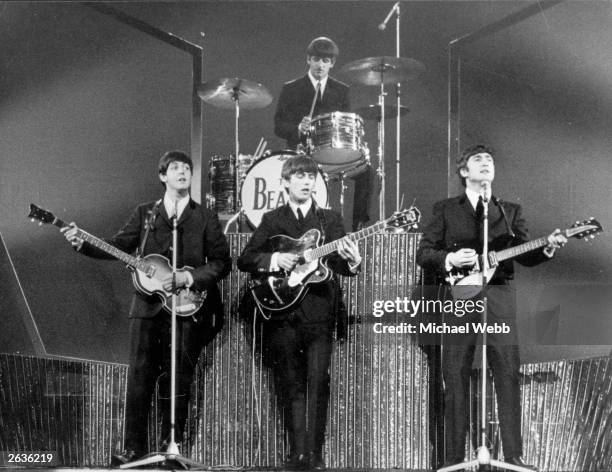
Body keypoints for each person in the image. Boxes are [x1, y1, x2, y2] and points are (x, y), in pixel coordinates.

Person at [61, 150, 231, 466]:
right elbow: (117, 247)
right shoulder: (145, 214)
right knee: (139, 379)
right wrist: (81, 242)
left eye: (187, 168)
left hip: (187, 309)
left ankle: (173, 448)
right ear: (162, 176)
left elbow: (222, 263)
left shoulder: (204, 217)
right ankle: (132, 448)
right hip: (146, 310)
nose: (183, 171)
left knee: (179, 379)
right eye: (176, 167)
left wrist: (188, 276)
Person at [416, 144, 567, 470]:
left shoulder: (509, 211)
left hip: (498, 296)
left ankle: (513, 455)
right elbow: (424, 252)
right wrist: (450, 258)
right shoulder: (445, 209)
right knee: (454, 374)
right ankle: (454, 458)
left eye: (489, 160)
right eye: (477, 160)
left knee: (507, 373)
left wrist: (549, 247)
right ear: (464, 171)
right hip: (459, 297)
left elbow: (527, 254)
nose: (486, 163)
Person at [237, 155, 361, 470]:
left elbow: (341, 267)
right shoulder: (272, 219)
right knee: (290, 383)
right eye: (300, 176)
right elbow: (246, 259)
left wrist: (354, 261)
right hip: (282, 315)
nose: (307, 182)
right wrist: (275, 260)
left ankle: (315, 456)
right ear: (286, 182)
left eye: (311, 177)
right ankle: (297, 455)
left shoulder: (330, 220)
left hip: (320, 313)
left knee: (318, 383)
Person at [274, 36, 371, 229]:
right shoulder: (291, 88)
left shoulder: (342, 90)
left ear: (332, 63)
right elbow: (278, 126)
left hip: (332, 156)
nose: (320, 65)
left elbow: (345, 126)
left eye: (325, 61)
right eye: (316, 59)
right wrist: (297, 129)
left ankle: (359, 228)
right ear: (308, 60)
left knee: (366, 171)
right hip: (302, 155)